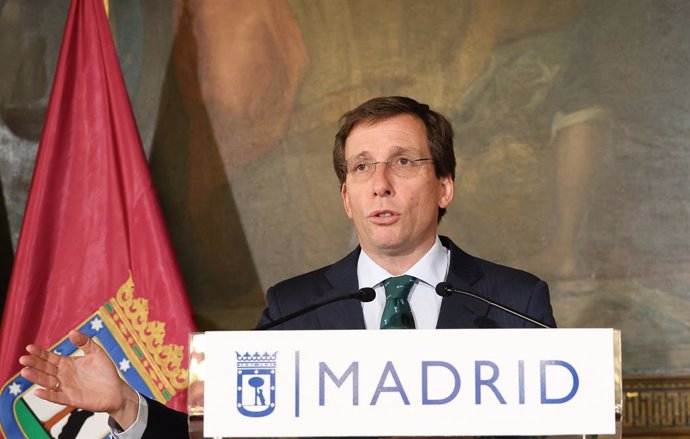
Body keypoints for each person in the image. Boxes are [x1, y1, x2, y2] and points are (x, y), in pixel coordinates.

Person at [19, 96, 555, 439]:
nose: (380, 182)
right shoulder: (294, 309)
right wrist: (125, 403)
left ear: (444, 187)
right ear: (347, 196)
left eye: (404, 162)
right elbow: (223, 433)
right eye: (362, 167)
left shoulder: (516, 302)